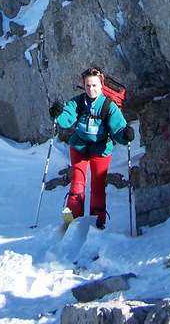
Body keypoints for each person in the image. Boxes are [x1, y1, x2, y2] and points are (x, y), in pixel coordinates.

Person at [49, 66, 134, 229]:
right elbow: (67, 118)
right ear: (84, 85)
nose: (91, 89)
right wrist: (58, 113)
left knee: (98, 186)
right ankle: (71, 221)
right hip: (79, 146)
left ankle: (97, 222)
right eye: (88, 85)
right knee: (77, 184)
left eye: (94, 85)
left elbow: (118, 129)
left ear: (101, 85)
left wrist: (125, 135)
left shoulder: (109, 106)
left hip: (100, 149)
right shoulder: (78, 102)